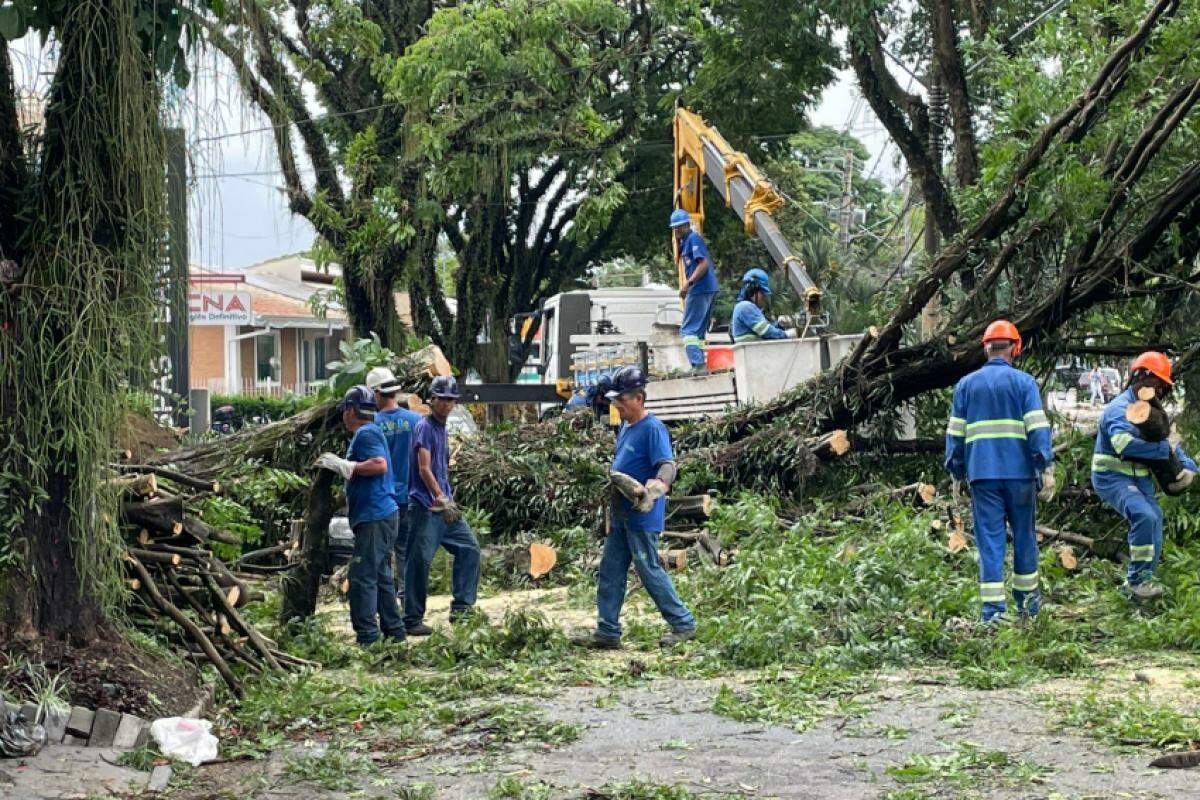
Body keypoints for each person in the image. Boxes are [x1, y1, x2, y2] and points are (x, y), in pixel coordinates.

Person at [945, 320, 1054, 624]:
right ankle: (1028, 609)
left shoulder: (966, 386)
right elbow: (1037, 428)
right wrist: (1045, 466)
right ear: (1015, 348)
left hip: (983, 476)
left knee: (990, 541)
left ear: (985, 348)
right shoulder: (1024, 383)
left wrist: (956, 471)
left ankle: (993, 613)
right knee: (1024, 537)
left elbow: (955, 435)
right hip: (1020, 476)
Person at [581, 366, 696, 649]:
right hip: (621, 514)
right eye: (615, 399)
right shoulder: (625, 426)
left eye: (621, 399)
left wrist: (654, 491)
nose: (616, 404)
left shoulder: (652, 428)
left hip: (642, 516)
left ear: (639, 398)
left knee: (648, 568)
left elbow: (667, 465)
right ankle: (608, 631)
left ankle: (683, 623)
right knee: (611, 570)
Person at [1092, 351, 1197, 602]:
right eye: (1157, 382)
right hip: (1112, 477)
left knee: (1155, 518)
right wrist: (1163, 450)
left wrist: (1189, 466)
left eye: (1162, 385)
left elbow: (1168, 441)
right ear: (1141, 377)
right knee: (1144, 515)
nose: (1159, 389)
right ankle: (1137, 582)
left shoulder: (1150, 409)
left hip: (1137, 478)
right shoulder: (1119, 409)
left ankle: (1145, 579)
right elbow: (1123, 445)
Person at [315, 385, 405, 646]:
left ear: (351, 410)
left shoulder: (365, 433)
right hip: (381, 514)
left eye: (345, 411)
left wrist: (347, 467)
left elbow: (379, 465)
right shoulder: (371, 431)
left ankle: (367, 636)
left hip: (376, 516)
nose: (343, 416)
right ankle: (395, 632)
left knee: (361, 575)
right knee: (380, 575)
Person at [403, 375, 481, 635]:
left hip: (444, 505)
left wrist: (448, 497)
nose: (447, 404)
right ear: (431, 399)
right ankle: (412, 619)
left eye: (451, 400)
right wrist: (440, 497)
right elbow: (424, 468)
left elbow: (441, 467)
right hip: (426, 507)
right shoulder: (424, 427)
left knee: (469, 548)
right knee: (419, 561)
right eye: (443, 399)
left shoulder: (442, 428)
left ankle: (462, 608)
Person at [366, 366, 423, 602]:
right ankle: (407, 602)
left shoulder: (372, 424)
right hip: (410, 496)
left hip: (382, 499)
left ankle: (386, 603)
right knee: (405, 552)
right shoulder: (416, 420)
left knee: (382, 554)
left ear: (377, 394)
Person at [670, 209, 719, 374]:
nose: (676, 230)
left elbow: (703, 264)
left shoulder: (693, 239)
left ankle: (697, 365)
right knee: (697, 331)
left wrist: (688, 284)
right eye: (674, 228)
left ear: (686, 225)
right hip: (706, 288)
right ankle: (701, 365)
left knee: (688, 330)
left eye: (679, 227)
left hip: (700, 289)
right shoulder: (686, 241)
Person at [730, 268, 794, 342]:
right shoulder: (745, 307)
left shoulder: (745, 307)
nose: (764, 297)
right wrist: (785, 334)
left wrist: (779, 325)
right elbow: (765, 331)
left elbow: (764, 328)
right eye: (762, 293)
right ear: (752, 289)